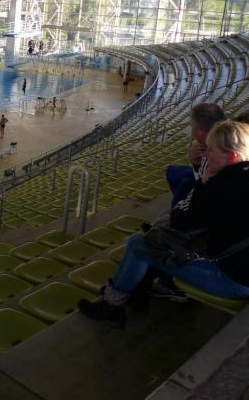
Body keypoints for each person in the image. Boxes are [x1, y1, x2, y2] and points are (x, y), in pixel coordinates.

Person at [78, 120, 249, 328]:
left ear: (232, 157)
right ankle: (135, 292)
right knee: (158, 242)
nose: (206, 155)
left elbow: (181, 219)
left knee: (138, 244)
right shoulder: (240, 178)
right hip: (238, 270)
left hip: (232, 281)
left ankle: (111, 305)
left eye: (211, 150)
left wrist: (204, 181)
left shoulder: (225, 186)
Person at [166, 103, 225, 207]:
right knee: (173, 171)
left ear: (200, 133)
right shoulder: (223, 140)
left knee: (184, 183)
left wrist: (198, 166)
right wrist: (196, 164)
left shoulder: (212, 156)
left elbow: (203, 187)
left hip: (206, 201)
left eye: (192, 127)